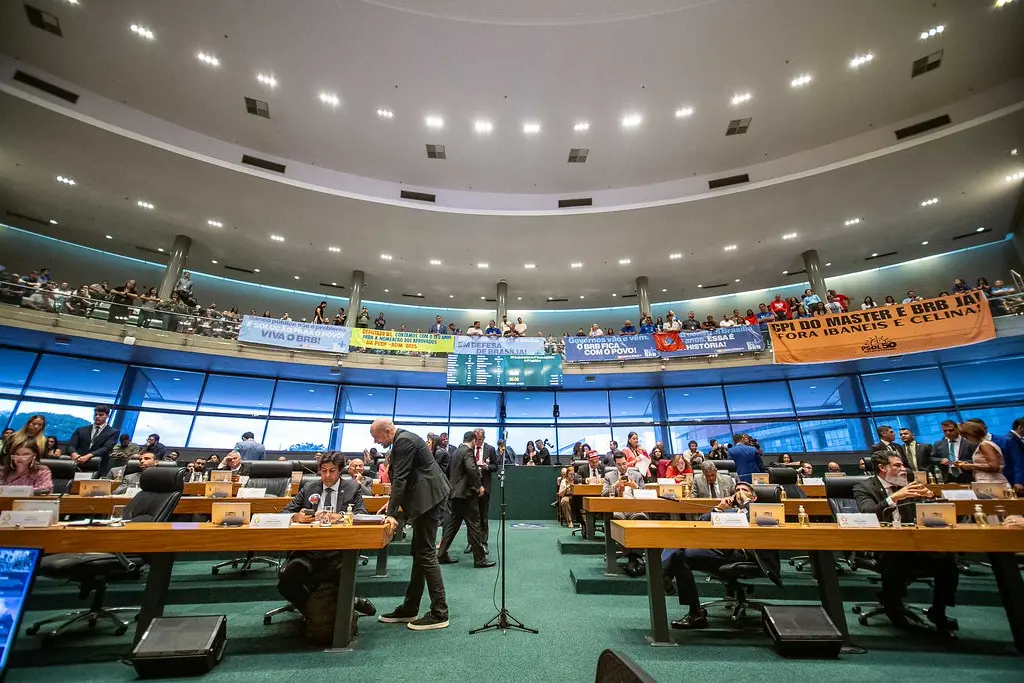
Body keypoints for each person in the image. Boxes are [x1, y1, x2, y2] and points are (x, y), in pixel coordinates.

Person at [853, 452, 959, 635]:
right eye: (897, 466)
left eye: (903, 466)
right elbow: (867, 514)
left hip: (914, 542)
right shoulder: (864, 486)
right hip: (881, 545)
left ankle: (938, 610)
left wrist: (931, 498)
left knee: (948, 564)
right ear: (882, 468)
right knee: (899, 558)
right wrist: (894, 498)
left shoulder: (908, 484)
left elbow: (937, 516)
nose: (904, 470)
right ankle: (892, 604)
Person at [370, 419, 451, 631]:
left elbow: (401, 478)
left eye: (376, 437)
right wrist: (392, 503)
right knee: (419, 551)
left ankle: (439, 612)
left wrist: (391, 513)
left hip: (429, 500)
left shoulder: (404, 441)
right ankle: (410, 607)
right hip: (426, 499)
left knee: (425, 553)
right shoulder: (403, 439)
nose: (376, 442)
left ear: (387, 431)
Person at [665, 481, 779, 629]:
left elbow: (769, 522)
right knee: (679, 553)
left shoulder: (763, 511)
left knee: (680, 555)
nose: (739, 493)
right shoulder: (730, 512)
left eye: (744, 490)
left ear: (754, 497)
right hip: (722, 550)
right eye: (737, 490)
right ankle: (695, 611)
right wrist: (718, 509)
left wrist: (746, 501)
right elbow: (701, 522)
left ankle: (664, 575)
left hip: (746, 554)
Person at [277, 452, 375, 622]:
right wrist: (296, 517)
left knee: (339, 576)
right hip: (307, 550)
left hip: (338, 551)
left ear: (340, 471)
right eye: (323, 471)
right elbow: (285, 512)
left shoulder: (352, 488)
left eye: (332, 471)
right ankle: (321, 612)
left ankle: (323, 615)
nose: (327, 476)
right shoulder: (309, 488)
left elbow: (362, 515)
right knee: (286, 580)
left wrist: (342, 515)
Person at [437, 431, 493, 568]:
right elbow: (471, 469)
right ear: (473, 441)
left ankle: (441, 554)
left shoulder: (455, 452)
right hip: (466, 495)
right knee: (474, 525)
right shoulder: (468, 451)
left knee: (453, 525)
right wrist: (479, 486)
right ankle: (480, 559)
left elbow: (449, 471)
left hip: (455, 494)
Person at [67, 405, 118, 474]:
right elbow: (71, 445)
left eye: (101, 415)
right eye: (96, 414)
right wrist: (74, 454)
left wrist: (88, 456)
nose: (97, 416)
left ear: (107, 416)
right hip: (78, 464)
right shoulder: (81, 430)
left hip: (98, 466)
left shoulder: (113, 432)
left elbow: (106, 448)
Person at [601, 452, 647, 520]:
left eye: (624, 463)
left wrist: (636, 487)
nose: (622, 467)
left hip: (635, 507)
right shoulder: (608, 476)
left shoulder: (637, 475)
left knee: (640, 517)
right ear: (615, 464)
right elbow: (603, 494)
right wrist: (614, 486)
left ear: (627, 461)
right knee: (616, 517)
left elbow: (645, 494)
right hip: (617, 507)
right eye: (619, 465)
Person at [1003, 418, 1024, 496]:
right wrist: (1018, 481)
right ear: (1020, 427)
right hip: (1018, 478)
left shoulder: (1018, 438)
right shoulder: (1010, 439)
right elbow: (1017, 461)